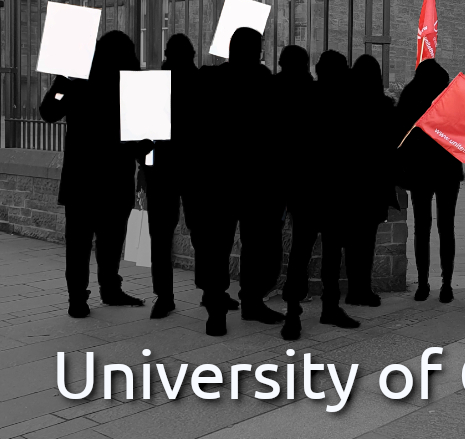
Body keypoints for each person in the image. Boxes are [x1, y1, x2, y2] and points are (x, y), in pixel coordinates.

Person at [40, 30, 147, 318]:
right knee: (110, 239)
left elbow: (48, 110)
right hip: (114, 177)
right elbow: (144, 141)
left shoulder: (78, 84)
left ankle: (79, 298)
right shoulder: (128, 85)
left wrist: (62, 81)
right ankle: (108, 289)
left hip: (84, 179)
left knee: (79, 242)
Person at [199, 27, 285, 336]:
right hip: (254, 179)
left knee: (216, 246)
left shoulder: (210, 79)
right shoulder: (265, 82)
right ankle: (250, 301)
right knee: (254, 245)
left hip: (218, 177)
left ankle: (216, 310)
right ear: (256, 50)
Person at [281, 50, 359, 340]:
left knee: (301, 251)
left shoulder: (304, 97)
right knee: (330, 252)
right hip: (334, 190)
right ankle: (329, 306)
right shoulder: (348, 104)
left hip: (305, 189)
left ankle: (292, 312)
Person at [142, 34, 207, 319]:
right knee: (203, 232)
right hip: (195, 169)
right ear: (192, 54)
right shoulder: (203, 82)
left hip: (162, 170)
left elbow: (142, 139)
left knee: (160, 235)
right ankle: (208, 290)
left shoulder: (153, 84)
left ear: (167, 54)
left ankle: (164, 296)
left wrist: (146, 167)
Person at [397, 59, 465, 304]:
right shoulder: (450, 98)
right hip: (447, 171)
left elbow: (399, 133)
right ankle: (446, 285)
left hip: (420, 172)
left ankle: (423, 284)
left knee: (421, 228)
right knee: (447, 228)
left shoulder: (410, 95)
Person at [344, 54, 400, 308]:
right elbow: (393, 146)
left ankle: (352, 288)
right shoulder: (384, 107)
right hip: (374, 183)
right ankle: (361, 289)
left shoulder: (344, 105)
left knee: (350, 240)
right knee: (366, 241)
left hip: (349, 181)